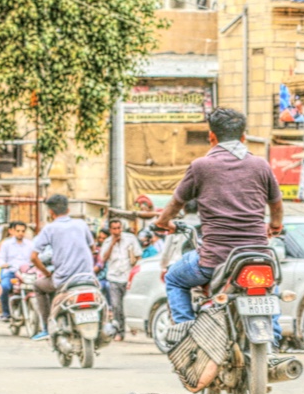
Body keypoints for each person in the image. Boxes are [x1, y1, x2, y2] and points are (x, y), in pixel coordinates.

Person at [154, 107, 282, 325]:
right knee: (270, 292)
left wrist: (163, 222)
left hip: (214, 259)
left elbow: (176, 203)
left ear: (211, 136)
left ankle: (185, 330)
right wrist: (275, 226)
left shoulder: (201, 166)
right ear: (243, 137)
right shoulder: (261, 165)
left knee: (174, 278)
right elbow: (276, 205)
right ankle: (274, 340)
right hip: (259, 256)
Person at [27, 194, 96, 341]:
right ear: (68, 209)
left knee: (38, 286)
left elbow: (33, 257)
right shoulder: (81, 224)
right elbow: (92, 247)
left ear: (51, 213)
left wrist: (46, 273)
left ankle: (46, 327)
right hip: (88, 278)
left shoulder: (49, 229)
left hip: (64, 280)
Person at [97, 215, 144, 341]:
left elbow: (139, 255)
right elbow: (103, 259)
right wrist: (112, 243)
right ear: (111, 230)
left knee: (127, 305)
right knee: (116, 306)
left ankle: (132, 326)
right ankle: (119, 331)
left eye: (119, 228)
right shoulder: (107, 242)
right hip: (113, 278)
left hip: (128, 277)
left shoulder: (130, 239)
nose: (117, 231)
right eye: (114, 229)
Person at [0, 219, 35, 322]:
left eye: (22, 231)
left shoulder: (30, 244)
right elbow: (0, 259)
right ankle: (6, 313)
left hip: (26, 273)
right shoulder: (6, 244)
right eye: (18, 231)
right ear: (12, 231)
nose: (20, 233)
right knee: (4, 287)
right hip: (10, 272)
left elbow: (34, 258)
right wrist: (4, 264)